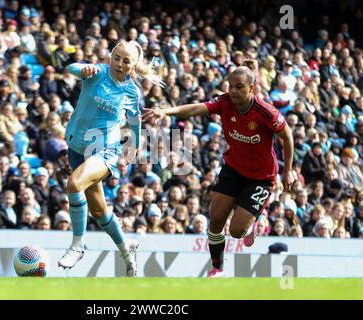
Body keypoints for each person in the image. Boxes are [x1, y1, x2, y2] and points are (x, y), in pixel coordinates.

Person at [143, 60, 295, 278]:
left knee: (236, 230)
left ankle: (252, 221)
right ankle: (217, 268)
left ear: (251, 88)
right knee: (215, 220)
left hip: (261, 177)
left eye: (239, 87)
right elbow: (197, 108)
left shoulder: (265, 112)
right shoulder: (225, 103)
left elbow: (287, 137)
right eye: (230, 86)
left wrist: (288, 171)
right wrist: (166, 112)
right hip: (233, 168)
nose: (233, 91)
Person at [57, 39, 164, 277]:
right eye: (117, 57)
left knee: (74, 184)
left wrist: (134, 145)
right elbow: (72, 68)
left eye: (126, 61)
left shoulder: (131, 91)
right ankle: (126, 248)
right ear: (110, 56)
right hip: (76, 145)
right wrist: (81, 69)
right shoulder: (97, 73)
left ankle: (77, 245)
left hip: (105, 149)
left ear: (133, 66)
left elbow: (135, 121)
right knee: (99, 211)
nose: (119, 63)